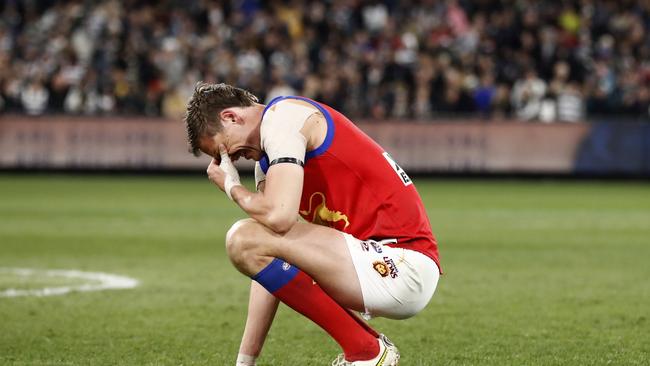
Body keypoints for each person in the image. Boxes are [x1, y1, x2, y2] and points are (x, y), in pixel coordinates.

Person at [183, 82, 442, 366]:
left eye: (223, 150)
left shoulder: (283, 117)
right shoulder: (269, 160)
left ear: (231, 117)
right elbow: (269, 262)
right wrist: (245, 362)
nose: (230, 160)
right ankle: (364, 350)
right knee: (249, 240)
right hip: (372, 264)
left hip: (401, 263)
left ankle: (366, 350)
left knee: (243, 237)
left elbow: (279, 219)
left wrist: (232, 187)